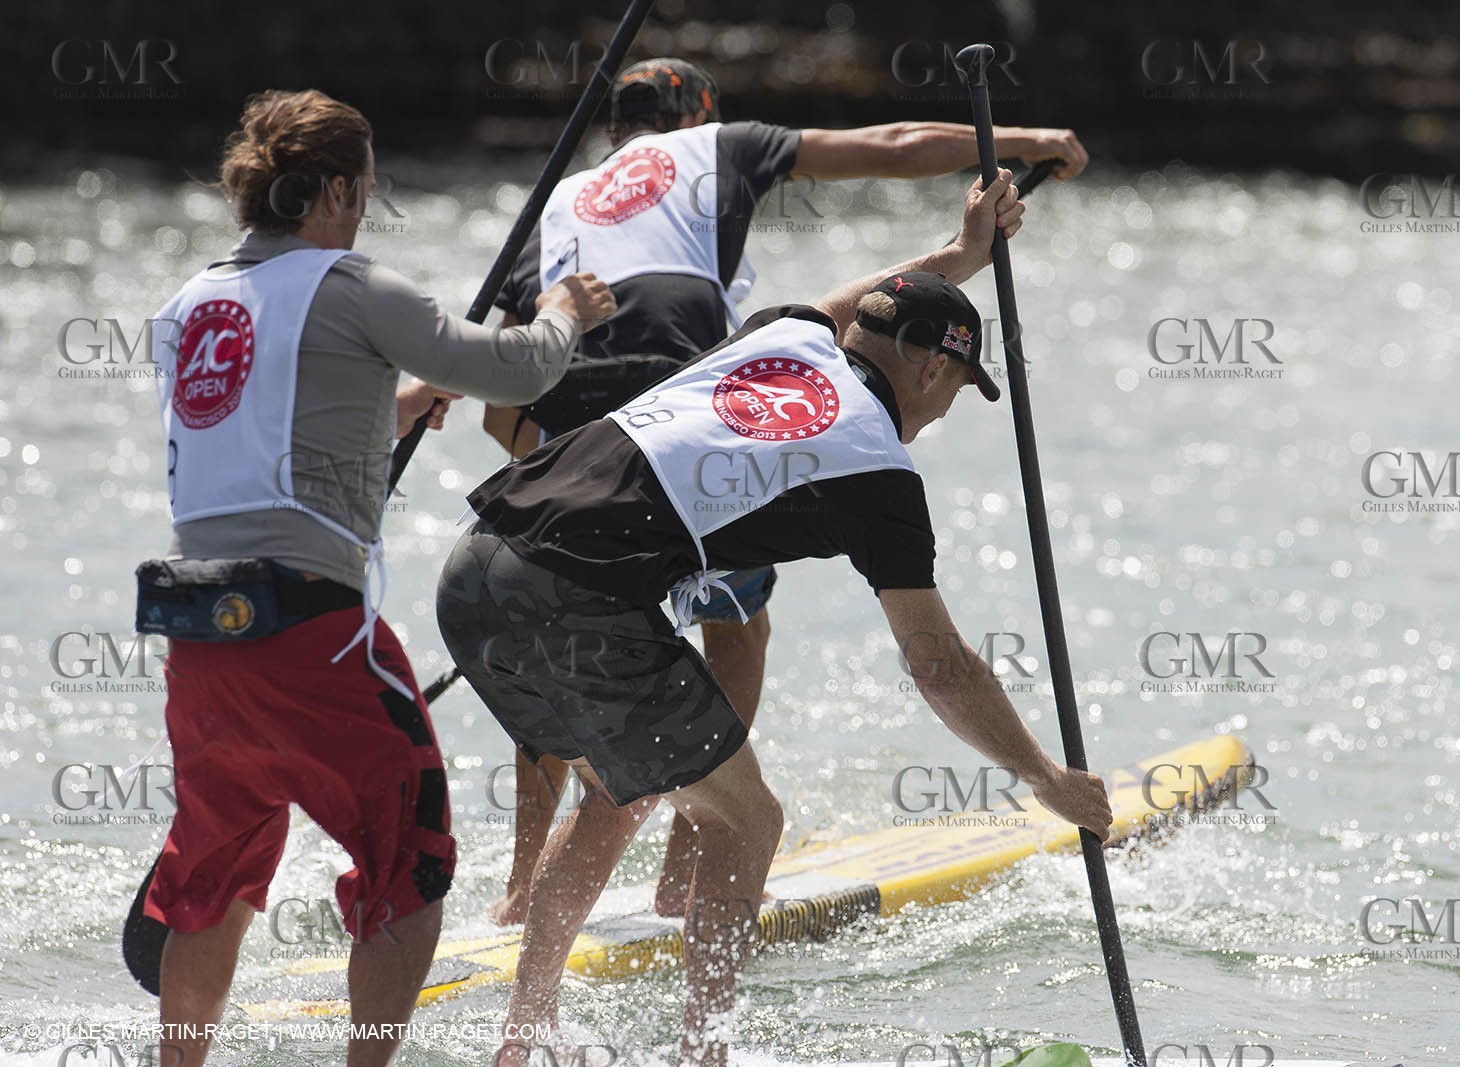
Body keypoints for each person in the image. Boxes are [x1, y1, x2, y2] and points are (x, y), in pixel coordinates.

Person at [436, 168, 1113, 1067]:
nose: (946, 411)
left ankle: (520, 1043)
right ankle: (703, 1055)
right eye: (954, 387)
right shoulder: (880, 473)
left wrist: (960, 256)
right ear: (931, 365)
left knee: (614, 792)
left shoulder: (783, 334)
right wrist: (1042, 776)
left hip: (475, 564)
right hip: (577, 593)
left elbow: (855, 305)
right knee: (747, 820)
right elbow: (937, 661)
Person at [482, 56, 1093, 926]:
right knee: (738, 629)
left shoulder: (560, 198)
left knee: (565, 595)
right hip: (682, 389)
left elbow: (500, 405)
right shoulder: (719, 145)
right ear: (699, 114)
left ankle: (517, 891)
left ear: (615, 128)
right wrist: (1026, 143)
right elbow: (889, 145)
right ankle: (694, 871)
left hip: (570, 418)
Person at [137, 88, 614, 1067]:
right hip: (312, 631)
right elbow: (518, 371)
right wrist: (564, 312)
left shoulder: (184, 309)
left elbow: (257, 439)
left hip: (200, 636)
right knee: (415, 862)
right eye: (363, 194)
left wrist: (385, 408)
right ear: (340, 190)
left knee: (217, 872)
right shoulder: (353, 286)